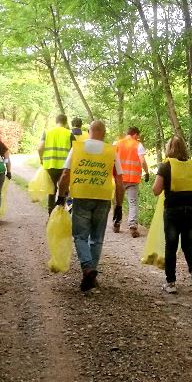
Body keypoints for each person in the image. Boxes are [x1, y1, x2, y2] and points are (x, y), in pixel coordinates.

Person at [58, 120, 125, 292]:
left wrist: (61, 196)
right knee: (97, 238)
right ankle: (90, 273)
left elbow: (66, 173)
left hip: (82, 196)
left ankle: (87, 268)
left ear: (89, 131)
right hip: (103, 198)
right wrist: (119, 205)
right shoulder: (111, 151)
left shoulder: (78, 148)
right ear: (104, 133)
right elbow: (119, 179)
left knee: (80, 236)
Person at [152, 137, 192, 294]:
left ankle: (171, 283)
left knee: (171, 245)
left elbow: (156, 190)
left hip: (173, 209)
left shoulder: (166, 166)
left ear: (168, 148)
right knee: (189, 244)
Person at [113, 126, 150, 237]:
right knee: (133, 202)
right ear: (135, 134)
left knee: (117, 202)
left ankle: (116, 224)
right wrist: (146, 172)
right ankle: (133, 226)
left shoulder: (117, 144)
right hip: (133, 179)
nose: (138, 138)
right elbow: (142, 161)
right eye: (138, 136)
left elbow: (111, 159)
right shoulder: (138, 145)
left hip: (119, 179)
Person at [38, 114, 73, 213]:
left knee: (52, 190)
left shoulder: (47, 132)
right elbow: (74, 150)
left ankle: (50, 213)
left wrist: (41, 159)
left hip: (50, 165)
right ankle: (64, 213)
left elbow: (40, 148)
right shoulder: (69, 134)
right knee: (65, 190)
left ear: (56, 121)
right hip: (65, 167)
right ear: (66, 122)